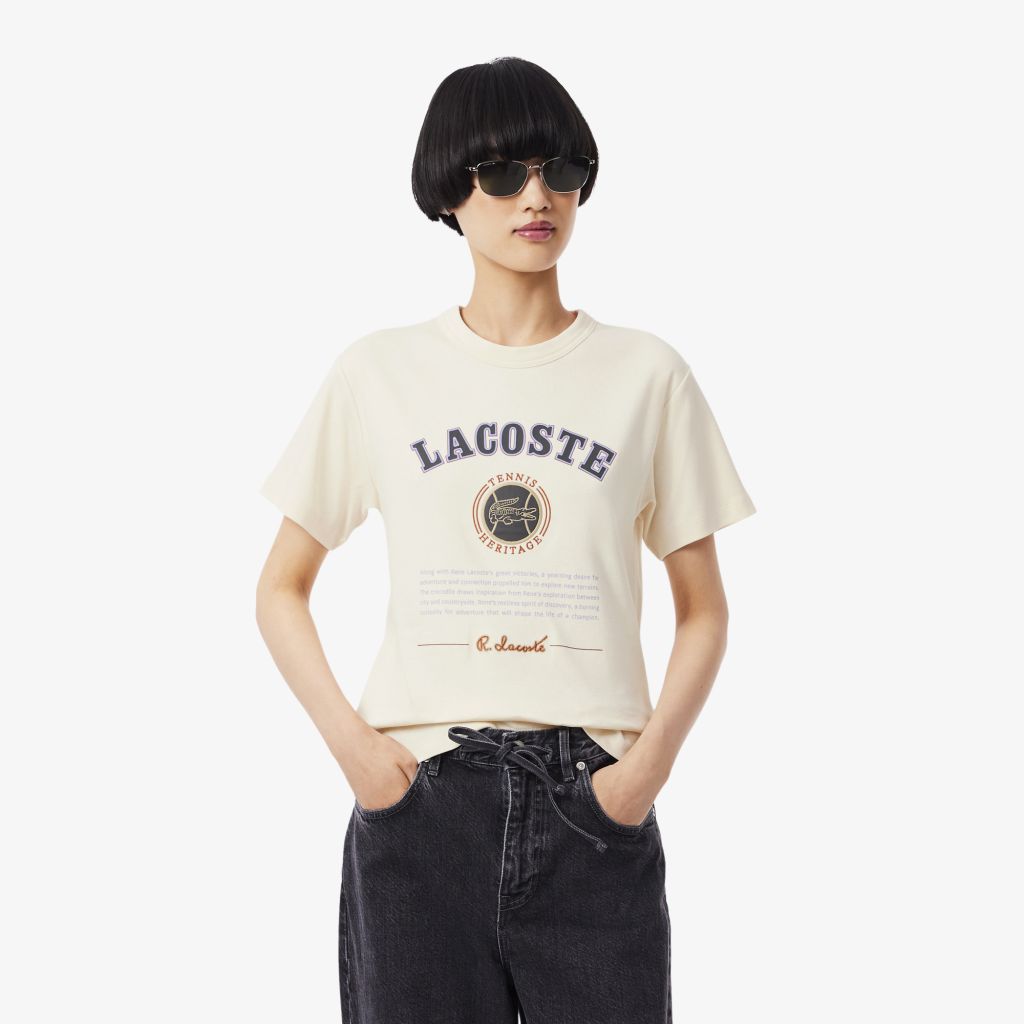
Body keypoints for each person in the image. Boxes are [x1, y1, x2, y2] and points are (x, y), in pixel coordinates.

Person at [255, 56, 756, 1024]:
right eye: (500, 173)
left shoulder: (646, 375)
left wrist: (643, 773)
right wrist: (360, 756)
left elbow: (703, 608)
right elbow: (281, 586)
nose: (536, 197)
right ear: (448, 192)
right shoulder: (378, 373)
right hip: (421, 804)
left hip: (593, 804)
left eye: (560, 170)